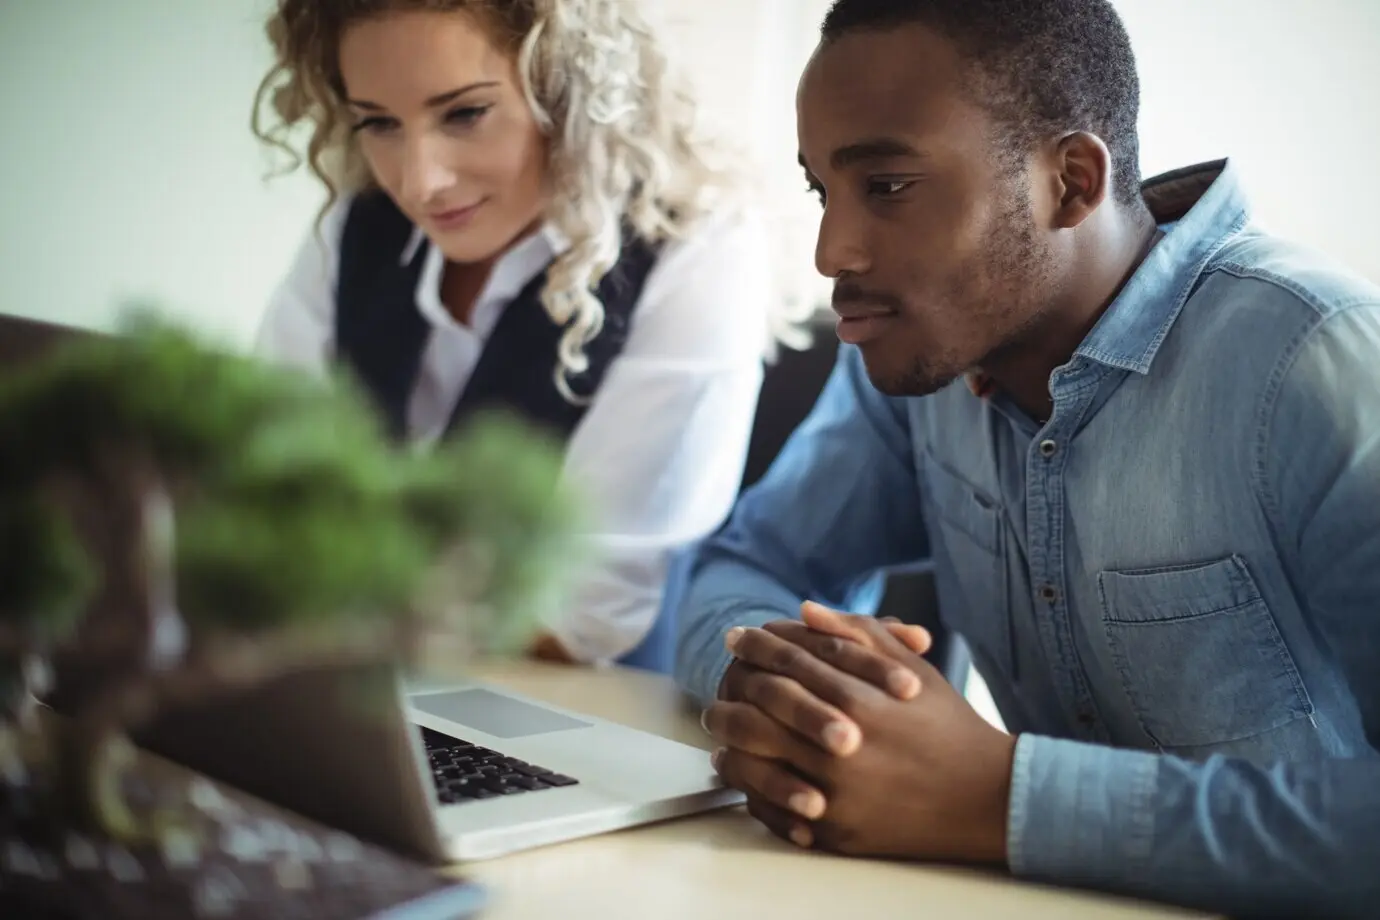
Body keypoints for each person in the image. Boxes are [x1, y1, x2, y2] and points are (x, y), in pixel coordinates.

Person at [674, 0, 1380, 916]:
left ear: (1071, 182)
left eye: (886, 186)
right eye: (822, 191)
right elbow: (743, 565)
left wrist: (1002, 798)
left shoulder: (1320, 365)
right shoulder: (923, 364)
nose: (830, 250)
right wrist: (807, 696)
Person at [249, 0, 784, 666]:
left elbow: (577, 614)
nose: (420, 182)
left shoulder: (693, 247)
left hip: (584, 703)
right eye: (379, 123)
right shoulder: (356, 226)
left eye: (465, 113)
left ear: (567, 89)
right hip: (349, 674)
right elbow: (256, 496)